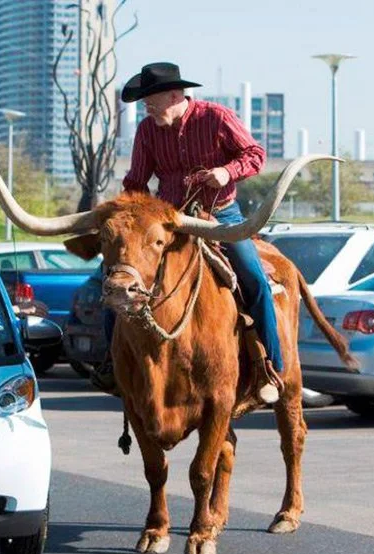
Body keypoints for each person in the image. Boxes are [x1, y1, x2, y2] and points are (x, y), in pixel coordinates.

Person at [91, 61, 283, 402]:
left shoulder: (216, 117)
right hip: (168, 223)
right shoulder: (148, 130)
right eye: (144, 101)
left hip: (219, 217)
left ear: (175, 94)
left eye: (151, 99)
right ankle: (112, 362)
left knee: (253, 278)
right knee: (110, 280)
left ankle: (269, 367)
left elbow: (255, 154)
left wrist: (227, 172)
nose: (146, 107)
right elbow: (136, 182)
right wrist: (128, 215)